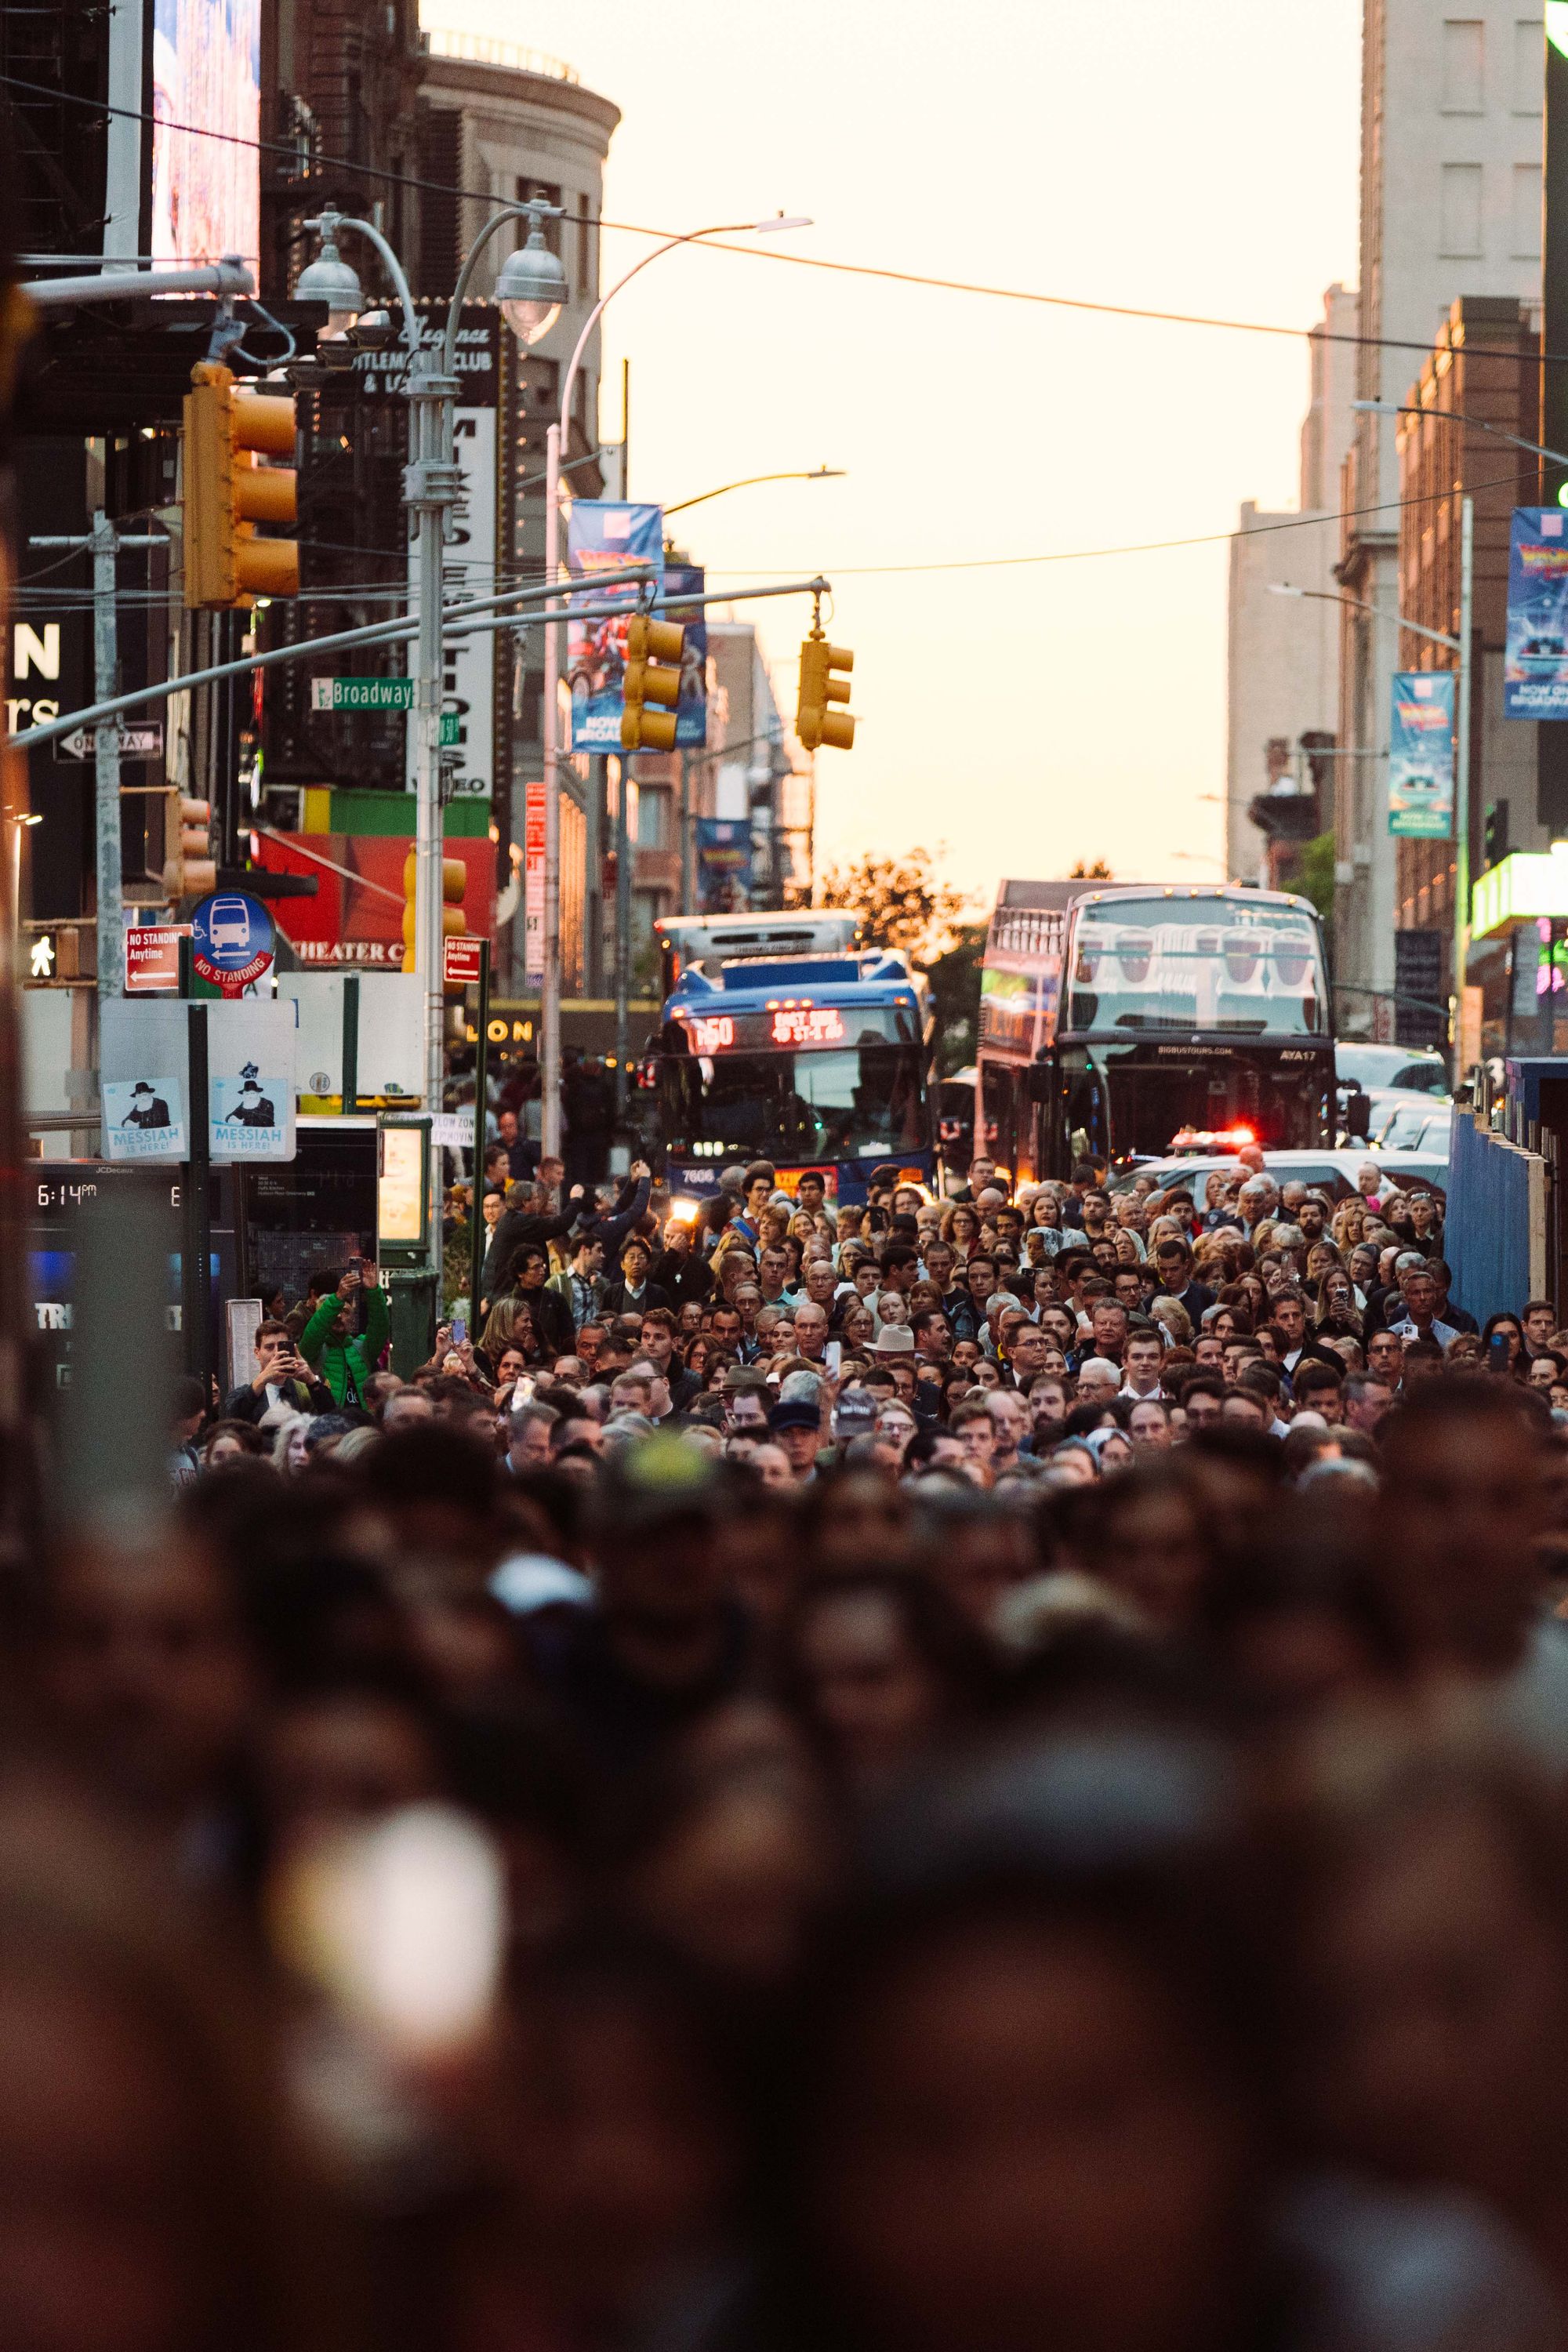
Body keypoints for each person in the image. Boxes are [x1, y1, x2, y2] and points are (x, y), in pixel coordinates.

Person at [297, 1263, 389, 1409]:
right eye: (335, 1312)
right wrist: (338, 1297)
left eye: (345, 1312)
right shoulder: (315, 1350)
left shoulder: (363, 1348)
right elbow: (314, 1332)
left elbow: (380, 1327)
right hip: (331, 1423)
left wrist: (373, 1291)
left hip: (361, 1422)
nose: (339, 1316)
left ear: (352, 1319)